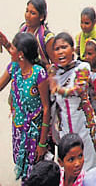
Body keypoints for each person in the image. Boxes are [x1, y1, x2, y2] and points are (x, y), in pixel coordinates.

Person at [0, 32, 50, 182]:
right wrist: (6, 43)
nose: (10, 51)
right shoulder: (14, 68)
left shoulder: (38, 74)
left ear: (21, 54)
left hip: (35, 133)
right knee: (22, 169)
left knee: (35, 173)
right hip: (19, 130)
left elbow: (46, 108)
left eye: (13, 48)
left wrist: (42, 143)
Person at [49, 32, 96, 171]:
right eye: (57, 49)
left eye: (64, 47)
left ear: (73, 49)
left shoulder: (83, 67)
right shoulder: (54, 72)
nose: (60, 52)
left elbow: (78, 89)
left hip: (85, 128)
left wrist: (58, 89)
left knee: (90, 168)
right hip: (65, 129)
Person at [18, 0, 55, 67]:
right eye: (27, 11)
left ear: (41, 17)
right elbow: (16, 55)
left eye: (32, 13)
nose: (27, 16)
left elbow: (55, 64)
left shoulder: (47, 37)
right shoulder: (23, 30)